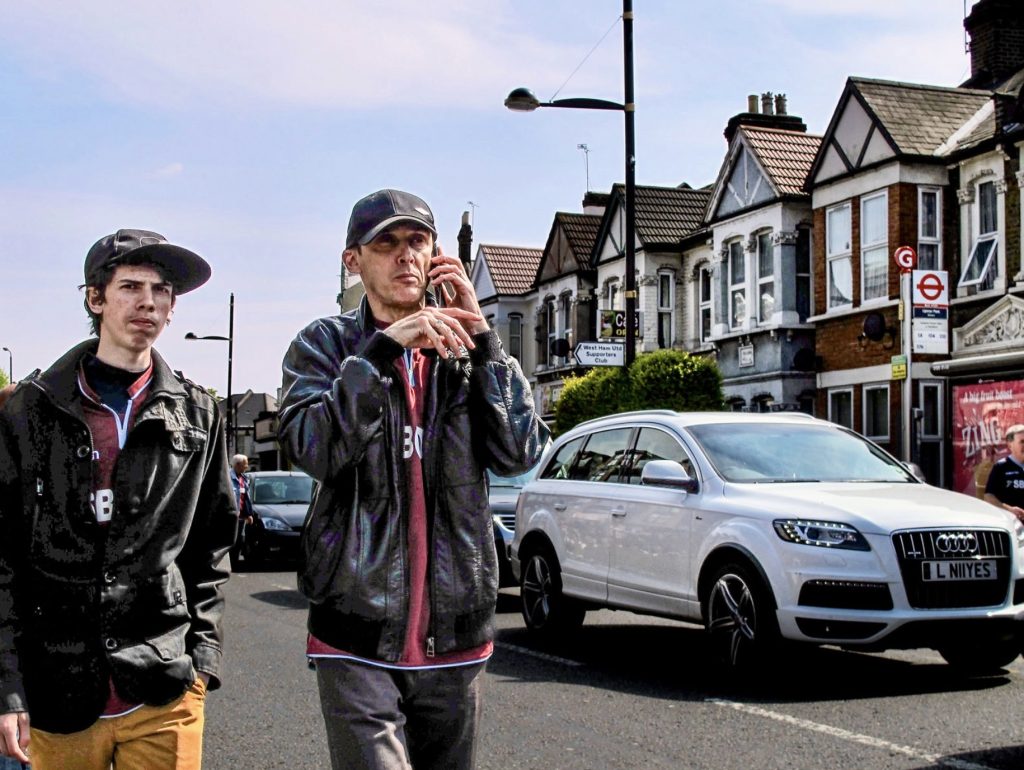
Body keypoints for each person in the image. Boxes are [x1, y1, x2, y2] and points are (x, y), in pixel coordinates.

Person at [278, 188, 548, 770]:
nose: (405, 257)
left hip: (456, 634)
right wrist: (378, 355)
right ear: (354, 260)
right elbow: (316, 449)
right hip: (355, 633)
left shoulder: (466, 353)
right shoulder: (324, 346)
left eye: (417, 242)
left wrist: (485, 343)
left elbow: (518, 452)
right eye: (386, 244)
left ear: (436, 255)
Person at [0, 229, 238, 769]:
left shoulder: (199, 415)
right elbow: (4, 556)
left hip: (164, 688)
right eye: (130, 286)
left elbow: (213, 543)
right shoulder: (30, 411)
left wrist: (203, 656)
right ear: (95, 298)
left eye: (162, 290)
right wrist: (7, 686)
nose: (148, 302)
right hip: (56, 692)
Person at [984, 423, 1024, 522]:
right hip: (1011, 525)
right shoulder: (1001, 467)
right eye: (1022, 442)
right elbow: (988, 496)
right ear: (1010, 445)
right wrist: (1009, 510)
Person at [228, 454, 254, 569]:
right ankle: (228, 564)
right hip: (229, 517)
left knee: (240, 540)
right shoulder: (227, 477)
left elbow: (246, 497)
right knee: (229, 540)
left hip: (241, 517)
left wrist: (248, 514)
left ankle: (234, 563)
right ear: (237, 465)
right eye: (245, 464)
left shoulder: (244, 478)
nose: (247, 466)